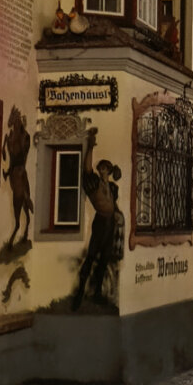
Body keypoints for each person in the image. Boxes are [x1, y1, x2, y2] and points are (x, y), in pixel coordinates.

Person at [72, 127, 123, 309]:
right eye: (101, 168)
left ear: (108, 171)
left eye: (105, 168)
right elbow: (87, 169)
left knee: (104, 259)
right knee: (91, 256)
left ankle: (97, 293)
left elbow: (113, 203)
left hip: (110, 223)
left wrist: (117, 214)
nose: (102, 170)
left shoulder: (113, 187)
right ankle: (80, 293)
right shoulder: (93, 182)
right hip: (100, 222)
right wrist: (91, 145)